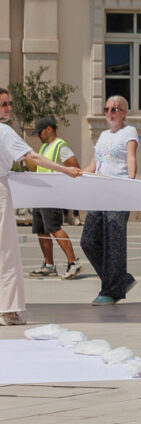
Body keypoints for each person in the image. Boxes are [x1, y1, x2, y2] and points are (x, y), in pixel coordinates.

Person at [0, 91, 83, 323]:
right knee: (6, 252)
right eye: (3, 104)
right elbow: (32, 157)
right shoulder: (5, 132)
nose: (7, 108)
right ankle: (7, 310)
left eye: (9, 103)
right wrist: (66, 170)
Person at [82, 94, 140, 305]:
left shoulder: (129, 132)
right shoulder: (103, 135)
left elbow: (131, 161)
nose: (109, 113)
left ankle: (111, 290)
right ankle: (120, 280)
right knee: (88, 241)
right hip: (99, 193)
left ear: (124, 112)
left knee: (113, 243)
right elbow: (93, 166)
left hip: (118, 193)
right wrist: (72, 174)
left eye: (114, 109)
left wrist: (130, 183)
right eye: (106, 109)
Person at [27, 117, 83, 280]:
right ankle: (49, 265)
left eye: (40, 132)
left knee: (54, 227)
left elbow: (75, 167)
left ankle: (73, 262)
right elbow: (38, 167)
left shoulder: (61, 146)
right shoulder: (45, 147)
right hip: (40, 193)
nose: (38, 136)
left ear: (49, 129)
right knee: (41, 230)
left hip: (52, 193)